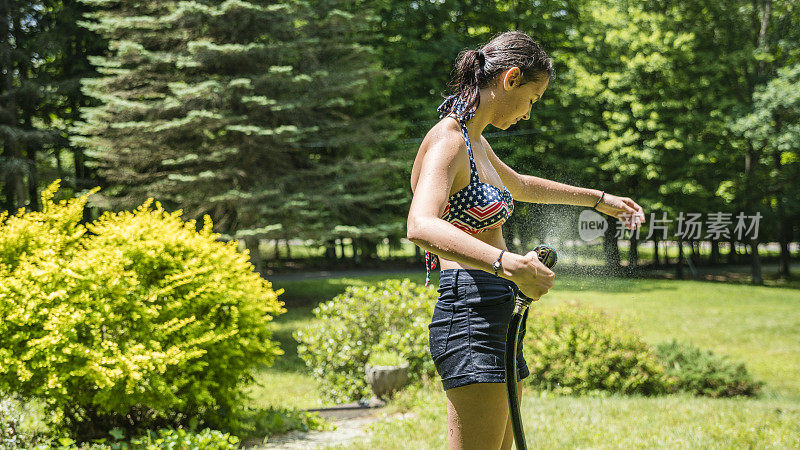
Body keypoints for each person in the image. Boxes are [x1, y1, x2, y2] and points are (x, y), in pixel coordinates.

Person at [406, 31, 645, 450]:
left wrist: (599, 200)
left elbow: (519, 184)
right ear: (511, 78)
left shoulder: (475, 140)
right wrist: (508, 263)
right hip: (469, 312)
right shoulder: (448, 140)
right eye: (533, 99)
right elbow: (421, 224)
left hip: (496, 309)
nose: (530, 114)